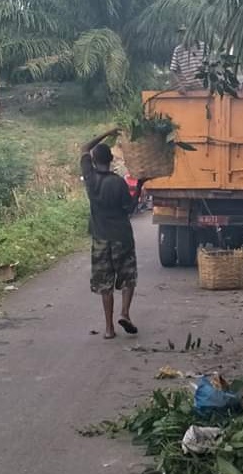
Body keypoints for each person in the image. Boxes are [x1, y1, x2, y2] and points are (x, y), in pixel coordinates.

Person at [80, 128, 138, 339]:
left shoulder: (90, 178)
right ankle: (124, 312)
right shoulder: (118, 182)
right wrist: (139, 187)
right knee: (128, 277)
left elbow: (85, 147)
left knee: (105, 284)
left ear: (94, 160)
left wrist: (108, 132)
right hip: (122, 237)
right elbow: (129, 208)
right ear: (112, 159)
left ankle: (108, 328)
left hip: (100, 238)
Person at [170, 25, 207, 93]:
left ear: (194, 34)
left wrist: (204, 68)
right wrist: (179, 85)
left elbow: (212, 66)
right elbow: (173, 70)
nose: (183, 36)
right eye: (181, 34)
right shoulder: (178, 50)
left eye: (186, 33)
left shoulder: (204, 47)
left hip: (204, 89)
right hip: (187, 91)